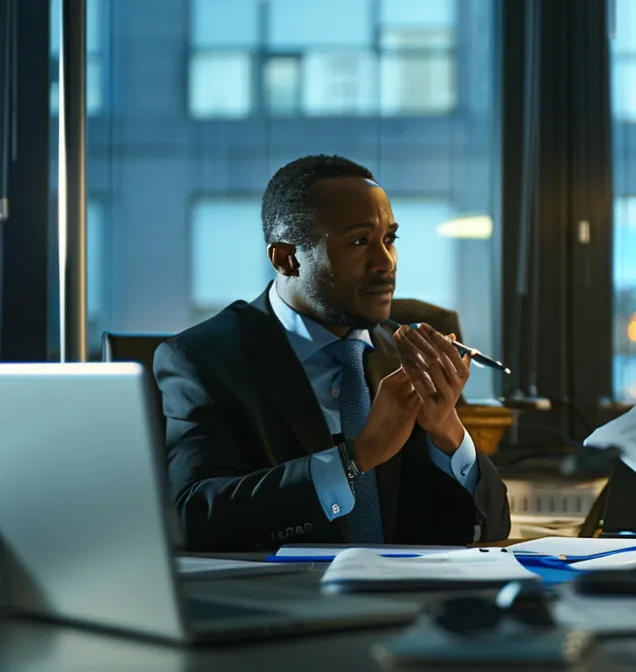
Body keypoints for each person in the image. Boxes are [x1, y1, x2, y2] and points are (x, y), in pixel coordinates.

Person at [154, 154, 510, 551]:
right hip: (285, 605)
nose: (385, 262)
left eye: (389, 239)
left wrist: (448, 434)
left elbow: (488, 530)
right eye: (360, 241)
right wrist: (358, 457)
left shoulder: (407, 357)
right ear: (287, 259)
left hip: (405, 601)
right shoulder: (203, 359)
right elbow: (193, 517)